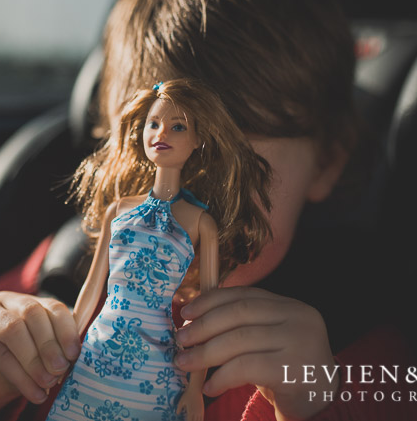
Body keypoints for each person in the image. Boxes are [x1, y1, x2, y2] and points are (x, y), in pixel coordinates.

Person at [0, 0, 417, 421]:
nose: (199, 183)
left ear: (328, 162)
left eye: (236, 154)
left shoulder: (348, 352)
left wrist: (314, 407)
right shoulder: (64, 271)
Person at [46, 79, 272, 421]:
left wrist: (195, 389)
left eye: (177, 126)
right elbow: (93, 286)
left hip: (154, 359)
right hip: (100, 348)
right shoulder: (119, 210)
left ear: (197, 140)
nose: (160, 133)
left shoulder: (200, 223)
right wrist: (68, 348)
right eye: (153, 123)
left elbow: (204, 314)